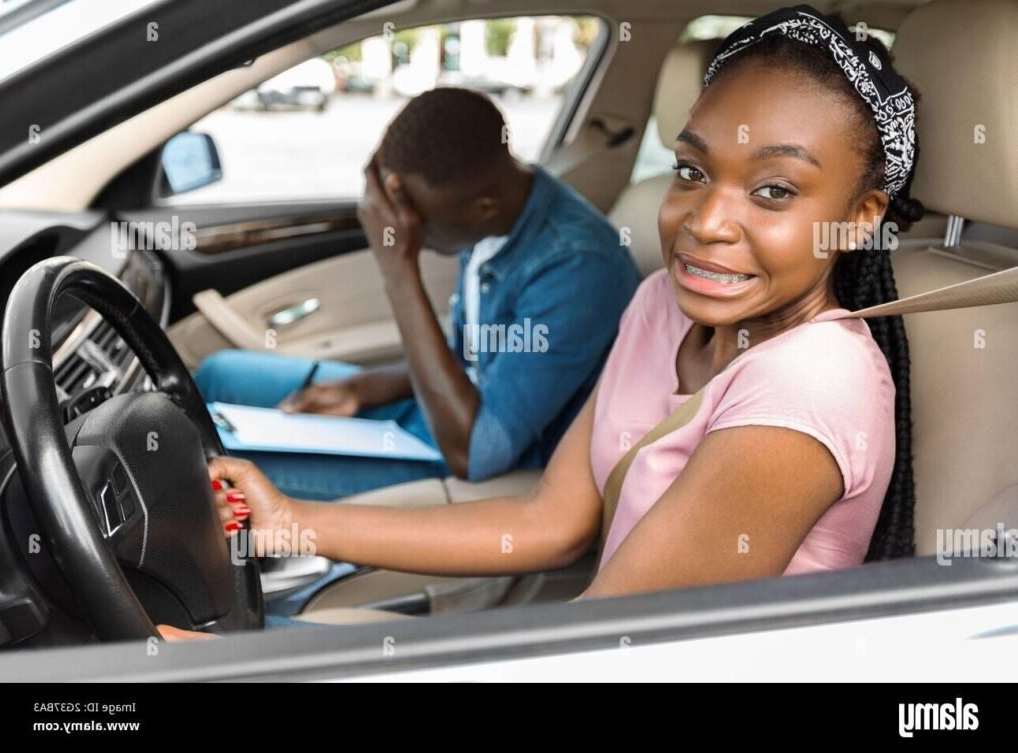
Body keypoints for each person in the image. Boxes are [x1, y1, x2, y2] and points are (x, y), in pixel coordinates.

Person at [163, 5, 921, 638]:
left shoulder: (812, 379)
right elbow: (548, 521)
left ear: (858, 219)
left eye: (775, 191)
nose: (707, 222)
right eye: (692, 172)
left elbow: (610, 640)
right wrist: (289, 519)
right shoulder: (662, 304)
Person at [194, 87, 640, 500]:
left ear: (481, 208)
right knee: (218, 375)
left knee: (210, 467)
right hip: (445, 409)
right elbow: (472, 359)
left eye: (413, 215)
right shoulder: (498, 208)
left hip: (489, 461)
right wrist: (364, 388)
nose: (400, 224)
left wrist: (398, 269)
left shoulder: (576, 267)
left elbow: (475, 454)